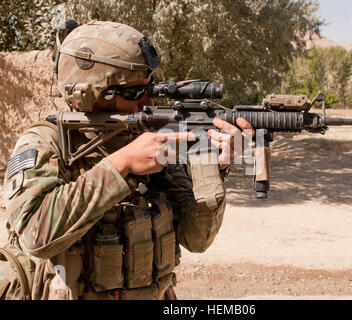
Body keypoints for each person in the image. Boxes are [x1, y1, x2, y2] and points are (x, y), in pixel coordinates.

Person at [1, 21, 253, 300]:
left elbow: (197, 239)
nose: (148, 101)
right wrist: (122, 165)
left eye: (150, 87)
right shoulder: (47, 143)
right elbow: (35, 236)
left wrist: (214, 169)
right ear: (90, 93)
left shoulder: (151, 136)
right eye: (133, 92)